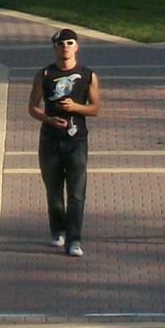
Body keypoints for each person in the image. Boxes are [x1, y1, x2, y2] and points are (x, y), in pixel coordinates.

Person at [28, 28, 101, 258]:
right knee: (53, 189)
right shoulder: (45, 75)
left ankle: (75, 238)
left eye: (69, 42)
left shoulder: (88, 75)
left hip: (77, 140)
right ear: (54, 47)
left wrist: (76, 108)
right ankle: (57, 230)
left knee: (77, 192)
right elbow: (33, 106)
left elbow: (95, 108)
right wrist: (48, 119)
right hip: (50, 140)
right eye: (60, 44)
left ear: (76, 46)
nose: (65, 47)